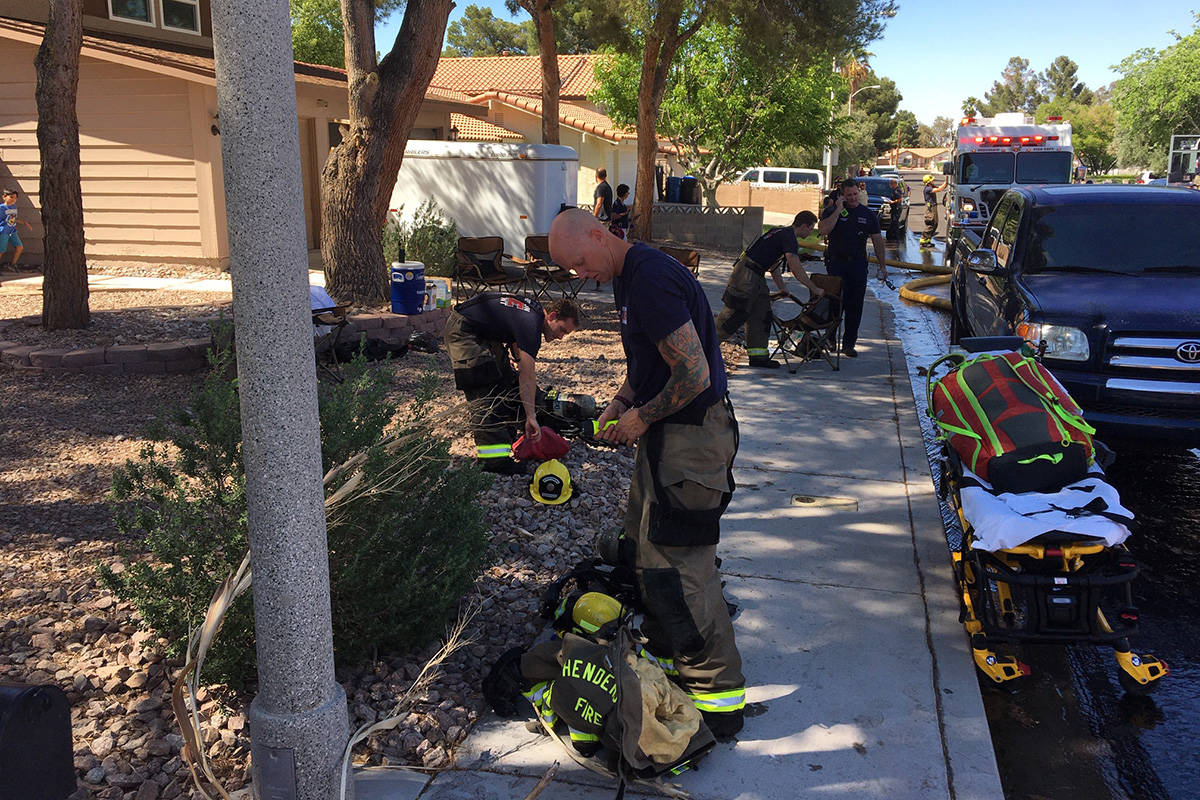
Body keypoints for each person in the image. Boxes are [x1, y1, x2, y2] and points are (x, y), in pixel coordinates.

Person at [548, 209, 746, 741]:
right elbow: (651, 364)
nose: (579, 275)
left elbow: (695, 371)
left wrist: (642, 417)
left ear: (599, 235)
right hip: (667, 437)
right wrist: (622, 400)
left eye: (580, 262)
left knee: (679, 567)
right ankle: (671, 663)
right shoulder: (625, 277)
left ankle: (719, 698)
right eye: (570, 270)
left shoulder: (651, 278)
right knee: (643, 550)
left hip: (692, 439)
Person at [443, 292, 580, 474]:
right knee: (485, 391)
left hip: (482, 332)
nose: (561, 337)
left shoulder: (533, 312)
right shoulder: (532, 324)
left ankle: (509, 431)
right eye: (562, 330)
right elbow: (528, 376)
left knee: (507, 380)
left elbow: (514, 333)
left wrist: (515, 358)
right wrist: (531, 416)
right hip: (464, 332)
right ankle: (494, 462)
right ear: (552, 316)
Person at [714, 210, 824, 368]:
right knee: (734, 316)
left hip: (755, 275)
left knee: (761, 314)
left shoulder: (779, 231)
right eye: (811, 228)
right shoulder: (789, 236)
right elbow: (794, 265)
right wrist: (814, 288)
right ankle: (704, 348)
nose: (811, 231)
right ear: (805, 226)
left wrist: (782, 288)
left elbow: (773, 265)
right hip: (746, 276)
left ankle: (758, 358)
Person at [817, 178, 888, 358]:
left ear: (859, 192)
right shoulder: (832, 211)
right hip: (836, 264)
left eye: (855, 194)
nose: (853, 198)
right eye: (849, 195)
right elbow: (824, 229)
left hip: (857, 265)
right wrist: (839, 209)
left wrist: (882, 265)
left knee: (854, 306)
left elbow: (878, 241)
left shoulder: (868, 214)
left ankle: (849, 344)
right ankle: (830, 339)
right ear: (842, 195)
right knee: (833, 304)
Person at [0, 189, 34, 270]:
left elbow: (13, 218)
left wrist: (24, 222)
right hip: (3, 231)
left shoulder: (14, 207)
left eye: (15, 198)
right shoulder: (1, 208)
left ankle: (12, 264)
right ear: (4, 197)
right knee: (1, 250)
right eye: (11, 197)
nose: (13, 200)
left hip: (12, 231)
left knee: (19, 247)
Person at [920, 174, 950, 248]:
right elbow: (939, 189)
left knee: (935, 223)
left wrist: (946, 181)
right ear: (929, 182)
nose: (933, 181)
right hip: (930, 208)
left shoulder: (931, 187)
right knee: (931, 223)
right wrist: (946, 181)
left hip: (933, 206)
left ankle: (928, 240)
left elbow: (941, 187)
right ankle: (924, 239)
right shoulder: (928, 189)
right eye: (932, 180)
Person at [885, 177, 905, 242]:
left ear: (894, 184)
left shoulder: (897, 190)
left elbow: (900, 199)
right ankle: (891, 236)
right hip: (894, 208)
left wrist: (893, 202)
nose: (890, 186)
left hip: (897, 208)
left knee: (895, 222)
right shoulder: (895, 190)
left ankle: (896, 237)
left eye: (891, 184)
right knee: (893, 222)